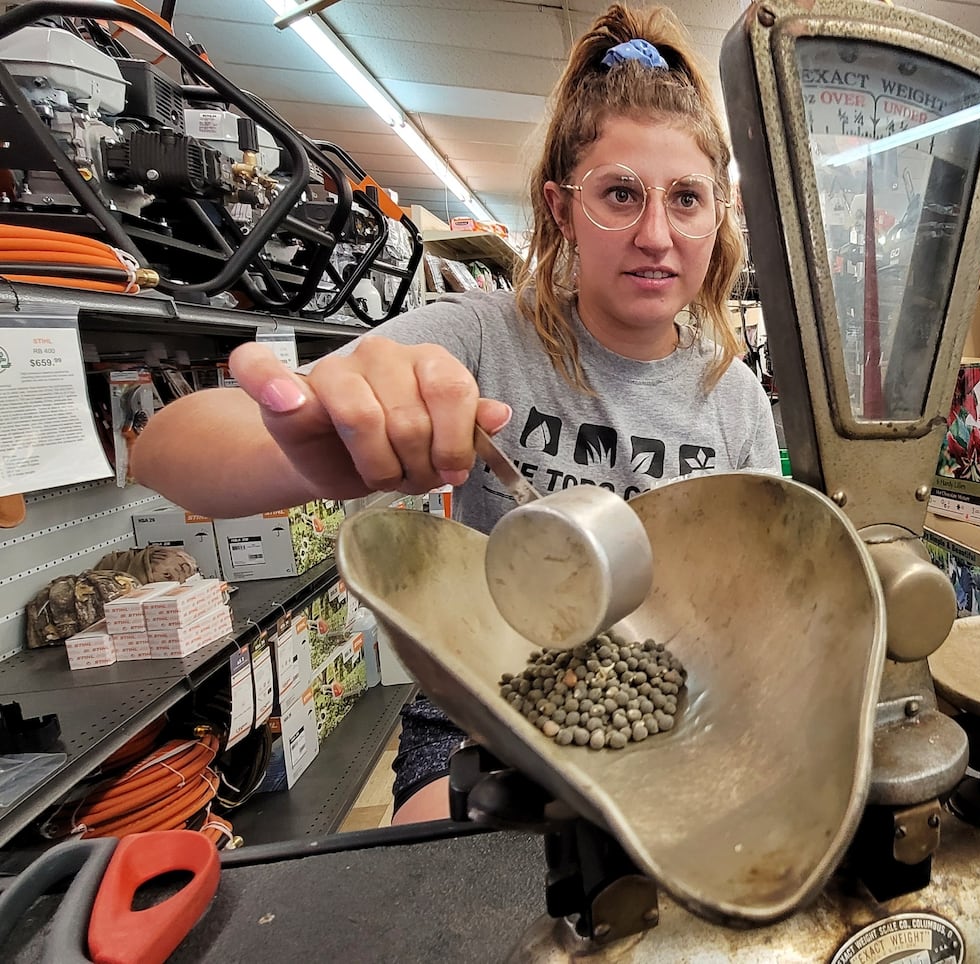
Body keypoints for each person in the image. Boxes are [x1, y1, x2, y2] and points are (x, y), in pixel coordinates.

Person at [132, 3, 781, 823]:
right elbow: (164, 448)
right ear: (559, 207)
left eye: (686, 199)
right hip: (486, 691)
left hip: (671, 691)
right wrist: (304, 445)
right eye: (619, 193)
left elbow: (753, 600)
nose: (657, 234)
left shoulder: (736, 395)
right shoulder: (480, 334)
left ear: (715, 213)